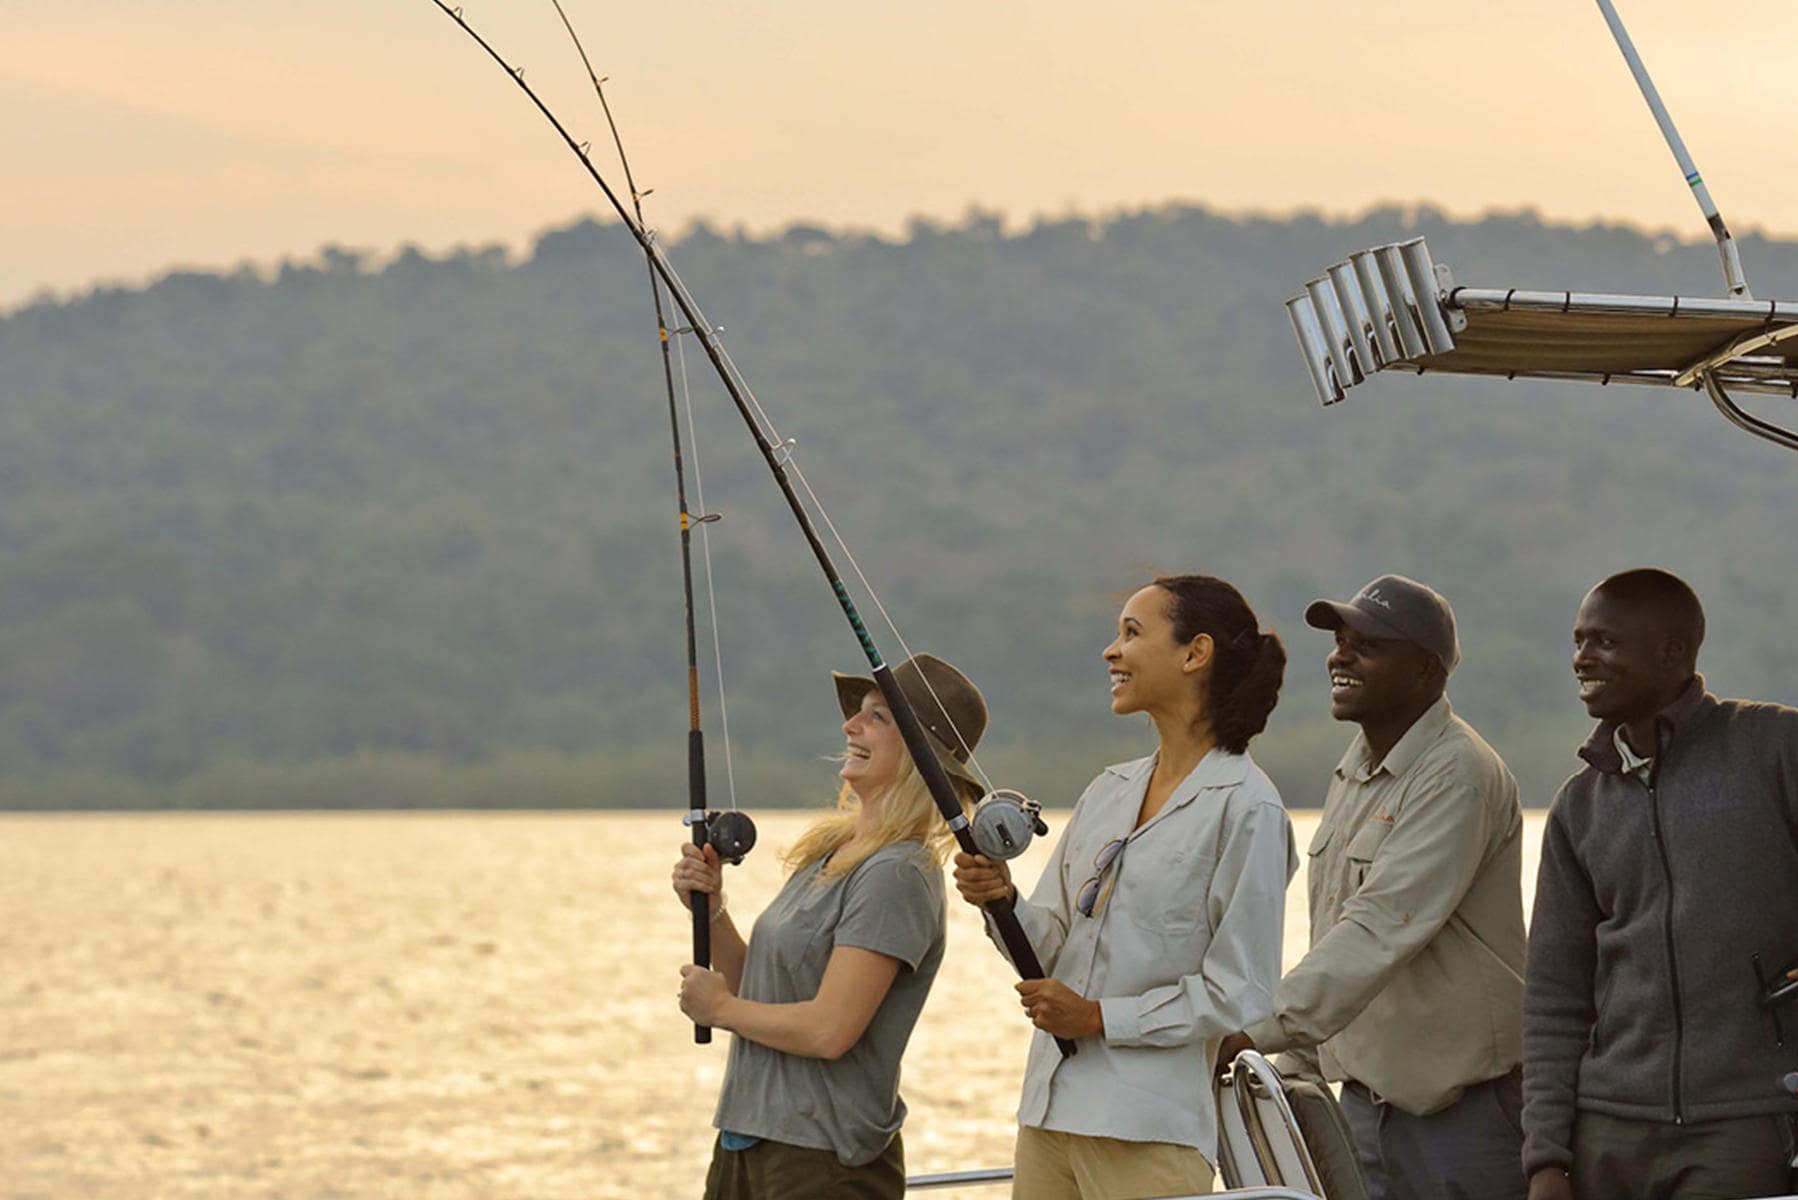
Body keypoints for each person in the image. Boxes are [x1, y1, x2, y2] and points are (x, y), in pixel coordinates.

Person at [953, 573, 1295, 1199]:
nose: (1111, 651)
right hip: (1048, 1114)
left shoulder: (1249, 807)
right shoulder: (1108, 789)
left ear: (1195, 653)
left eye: (1132, 633)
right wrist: (1000, 898)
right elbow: (1052, 945)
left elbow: (1240, 991)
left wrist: (1097, 1018)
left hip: (1148, 1131)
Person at [1219, 574, 1527, 1200]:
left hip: (1462, 1113)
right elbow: (1334, 932)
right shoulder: (1356, 769)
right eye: (1339, 642)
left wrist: (1248, 1031)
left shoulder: (1458, 772)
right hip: (1364, 1106)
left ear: (1426, 669)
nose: (1341, 657)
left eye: (1368, 646)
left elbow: (1379, 926)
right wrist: (1294, 1064)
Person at [1523, 568, 1798, 1200]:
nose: (1581, 659)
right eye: (1578, 641)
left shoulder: (1775, 748)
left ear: (1671, 653)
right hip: (1607, 1135)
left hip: (1746, 1126)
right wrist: (1546, 1158)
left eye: (1604, 642)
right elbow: (1553, 994)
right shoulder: (1578, 806)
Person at [671, 652, 986, 1200]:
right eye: (859, 712)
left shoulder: (897, 873)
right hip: (747, 1140)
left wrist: (718, 1010)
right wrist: (713, 909)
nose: (850, 725)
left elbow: (829, 1031)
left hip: (821, 1160)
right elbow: (761, 992)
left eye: (877, 716)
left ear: (921, 756)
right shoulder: (830, 852)